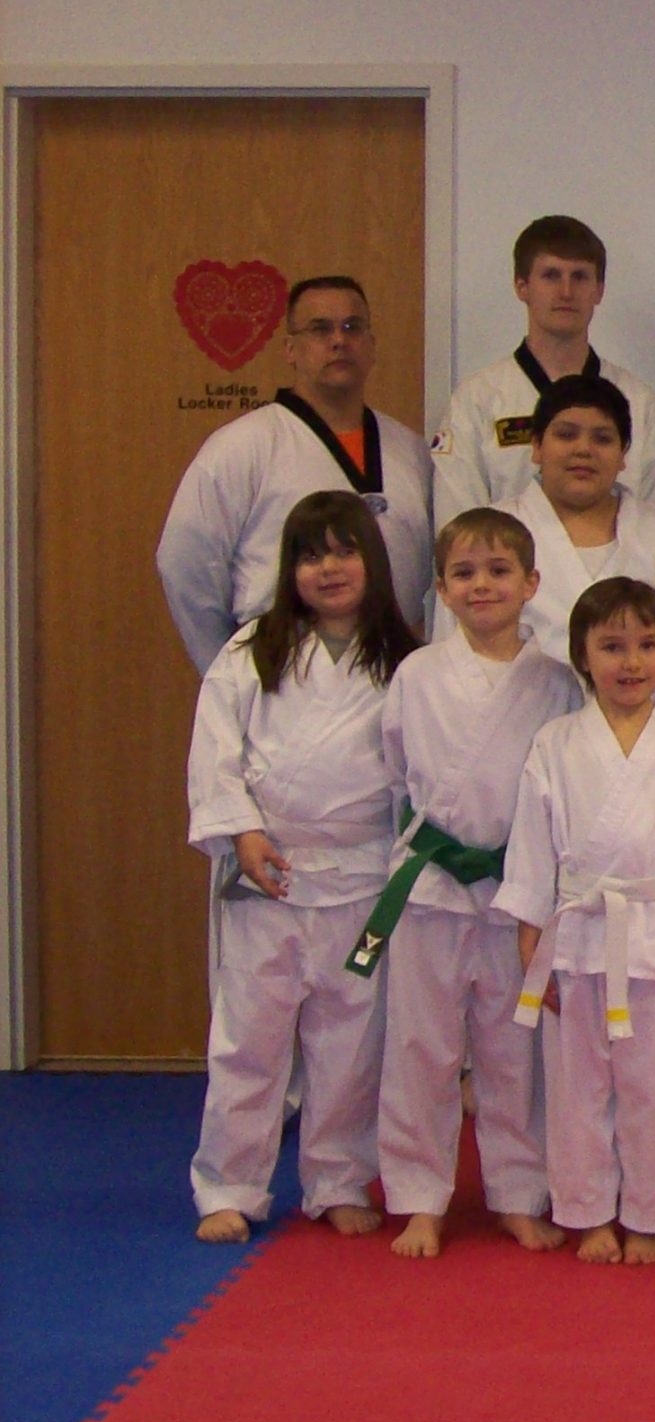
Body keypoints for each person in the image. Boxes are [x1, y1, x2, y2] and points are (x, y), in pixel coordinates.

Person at [186, 492, 419, 1244]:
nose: (329, 568)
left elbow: (422, 770)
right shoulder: (252, 649)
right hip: (268, 872)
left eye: (345, 551)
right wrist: (242, 831)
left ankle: (338, 1179)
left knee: (351, 1044)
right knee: (249, 1039)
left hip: (365, 878)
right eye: (311, 555)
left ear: (373, 562)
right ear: (289, 570)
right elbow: (216, 752)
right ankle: (229, 1185)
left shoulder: (405, 661)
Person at [376, 508, 584, 1258]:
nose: (482, 585)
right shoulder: (416, 674)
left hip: (515, 893)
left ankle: (519, 1194)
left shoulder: (556, 682)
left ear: (531, 582)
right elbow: (396, 769)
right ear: (441, 589)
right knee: (420, 1047)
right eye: (463, 573)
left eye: (499, 571)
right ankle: (418, 1197)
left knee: (514, 1050)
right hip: (430, 886)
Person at [497, 578, 655, 1267]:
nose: (631, 662)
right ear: (583, 656)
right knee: (577, 1089)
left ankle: (648, 1215)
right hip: (573, 936)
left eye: (647, 645)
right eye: (612, 646)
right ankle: (589, 1213)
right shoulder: (555, 742)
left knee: (654, 1090)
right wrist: (531, 941)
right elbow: (532, 847)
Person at [159, 275, 433, 672]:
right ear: (290, 349)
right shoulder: (242, 447)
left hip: (391, 663)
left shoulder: (410, 450)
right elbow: (184, 564)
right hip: (281, 665)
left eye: (353, 327)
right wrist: (227, 671)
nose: (339, 340)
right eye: (320, 329)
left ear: (372, 346)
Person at [431, 215, 655, 526]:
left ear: (599, 290)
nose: (566, 291)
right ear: (522, 286)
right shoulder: (477, 401)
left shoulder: (639, 403)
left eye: (580, 277)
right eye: (551, 275)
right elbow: (459, 530)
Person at [488, 374, 655, 665]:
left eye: (602, 439)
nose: (583, 450)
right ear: (537, 446)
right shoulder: (491, 534)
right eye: (566, 435)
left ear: (623, 454)